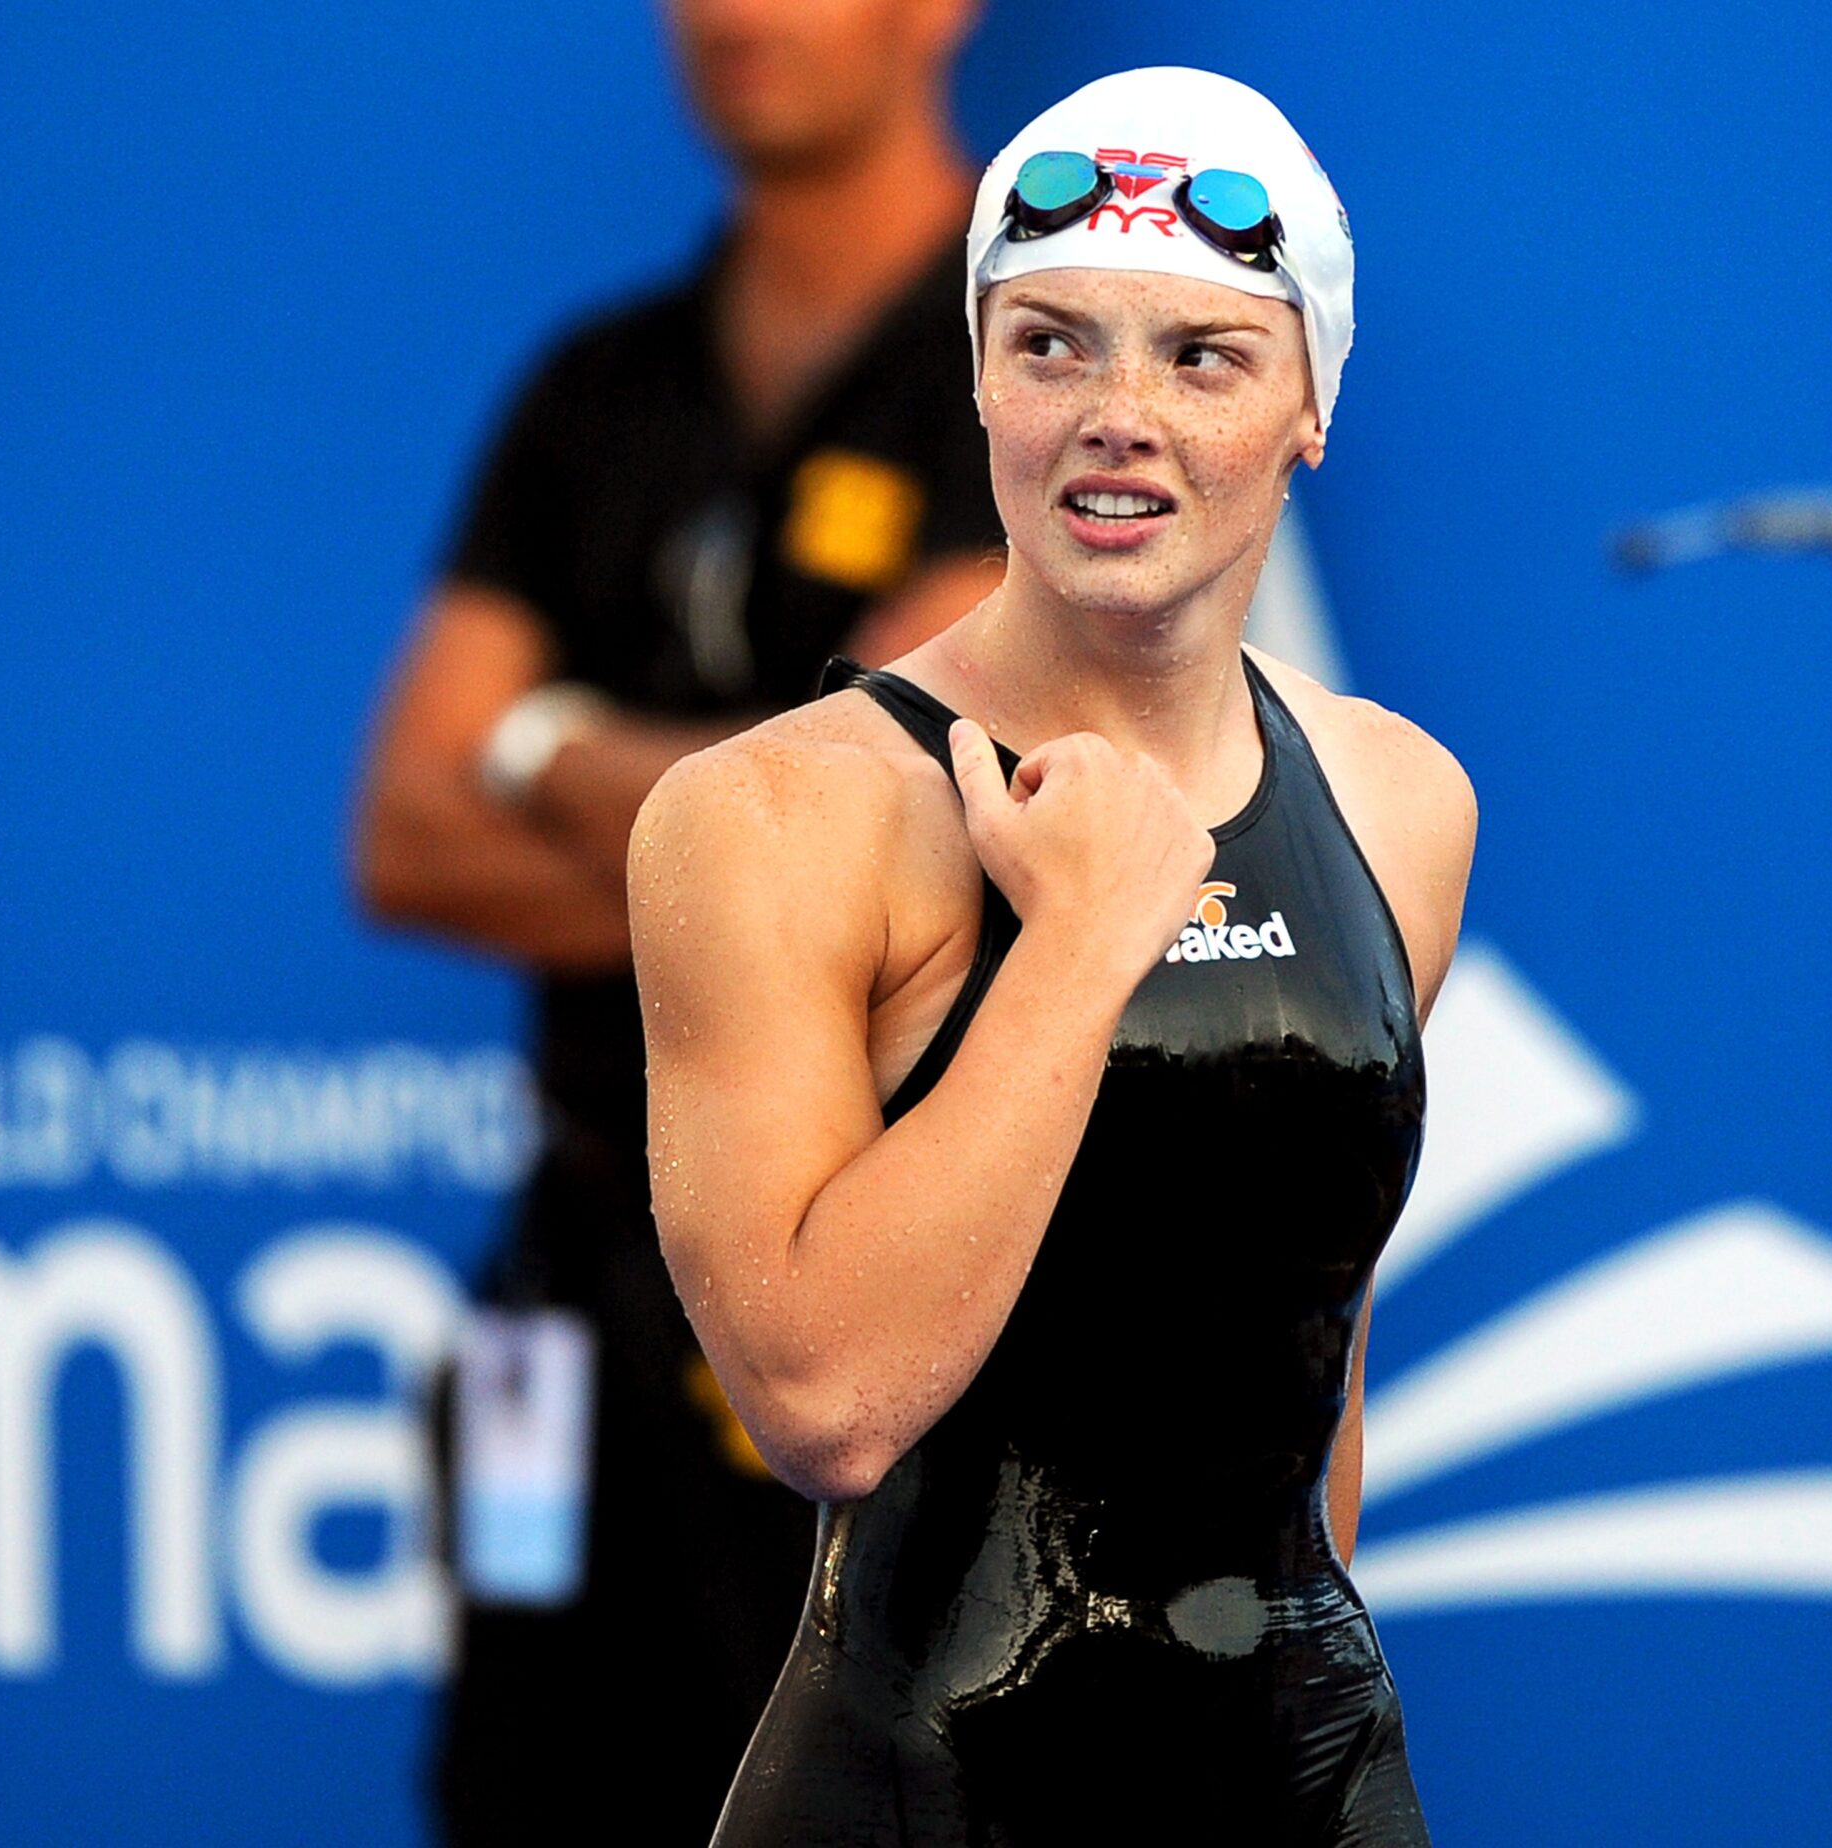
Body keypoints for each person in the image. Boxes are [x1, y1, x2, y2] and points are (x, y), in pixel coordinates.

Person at [629, 67, 1474, 1845]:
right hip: (924, 1791)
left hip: (1308, 1778)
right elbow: (825, 1403)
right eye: (1052, 346)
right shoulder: (776, 819)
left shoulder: (1399, 803)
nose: (1118, 418)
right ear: (981, 378)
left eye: (1203, 358)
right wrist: (1081, 937)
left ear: (1311, 405)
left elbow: (1312, 1337)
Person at [352, 2, 1006, 1840]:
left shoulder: (1031, 373)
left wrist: (547, 747)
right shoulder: (598, 389)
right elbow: (405, 836)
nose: (729, 14)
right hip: (574, 1286)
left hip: (862, 1320)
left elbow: (926, 823)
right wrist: (767, 838)